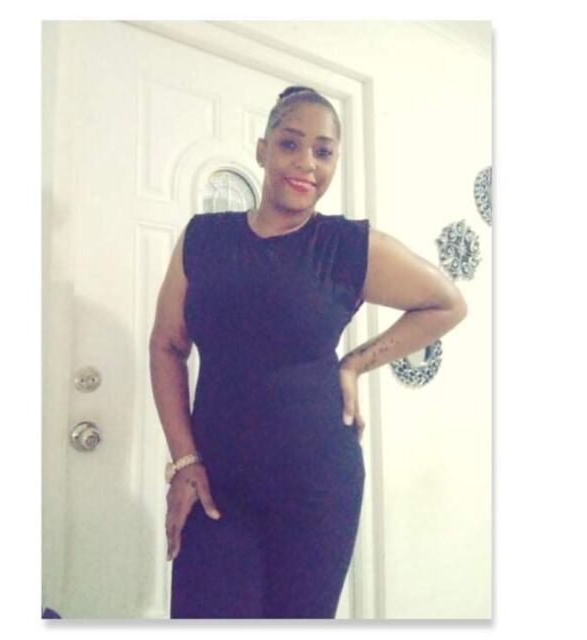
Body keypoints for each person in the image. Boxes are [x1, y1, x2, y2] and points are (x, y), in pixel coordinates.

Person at [148, 86, 467, 619]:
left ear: (335, 162)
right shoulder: (204, 239)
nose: (306, 163)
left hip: (316, 488)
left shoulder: (346, 247)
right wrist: (184, 460)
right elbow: (166, 344)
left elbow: (447, 303)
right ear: (263, 149)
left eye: (323, 151)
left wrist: (356, 363)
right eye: (290, 144)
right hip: (213, 483)